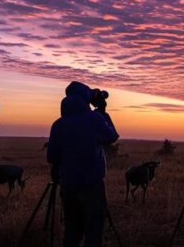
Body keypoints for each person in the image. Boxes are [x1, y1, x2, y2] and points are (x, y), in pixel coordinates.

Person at [47, 81, 119, 247]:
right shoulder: (93, 118)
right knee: (93, 229)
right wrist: (102, 111)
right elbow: (111, 137)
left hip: (68, 185)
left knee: (72, 230)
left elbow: (51, 157)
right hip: (91, 184)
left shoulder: (58, 124)